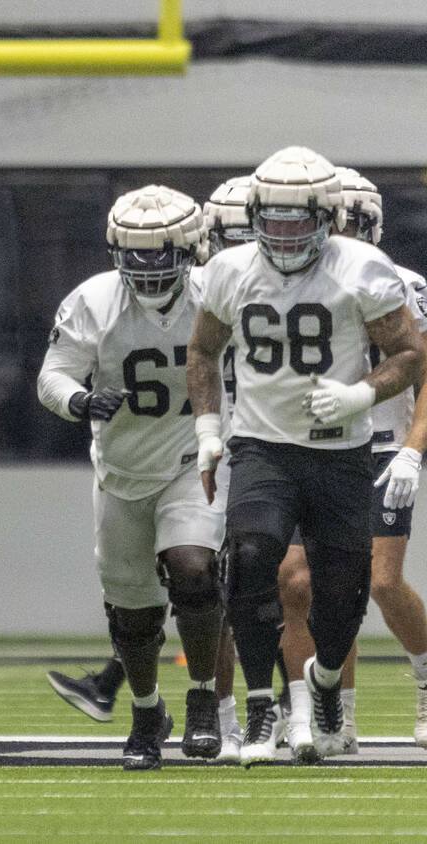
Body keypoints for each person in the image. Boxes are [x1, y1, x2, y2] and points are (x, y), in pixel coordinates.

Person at [186, 146, 424, 767]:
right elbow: (203, 351)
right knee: (254, 562)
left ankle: (323, 687)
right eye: (275, 217)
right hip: (262, 447)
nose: (285, 232)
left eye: (299, 219)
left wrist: (361, 394)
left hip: (344, 451)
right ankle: (264, 708)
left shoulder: (365, 269)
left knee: (345, 597)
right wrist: (210, 431)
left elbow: (411, 354)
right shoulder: (231, 269)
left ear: (329, 216)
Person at [38, 184, 228, 771]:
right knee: (133, 613)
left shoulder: (217, 292)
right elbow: (53, 376)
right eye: (136, 253)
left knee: (193, 570)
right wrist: (78, 402)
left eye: (160, 252)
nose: (147, 267)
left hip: (191, 460)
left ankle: (201, 699)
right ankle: (147, 711)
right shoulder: (92, 299)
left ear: (189, 247)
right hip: (120, 471)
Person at [277, 165, 427, 761]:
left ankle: (425, 679)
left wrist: (413, 453)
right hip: (313, 447)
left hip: (382, 446)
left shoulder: (407, 283)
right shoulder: (289, 282)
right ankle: (336, 717)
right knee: (303, 584)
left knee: (381, 582)